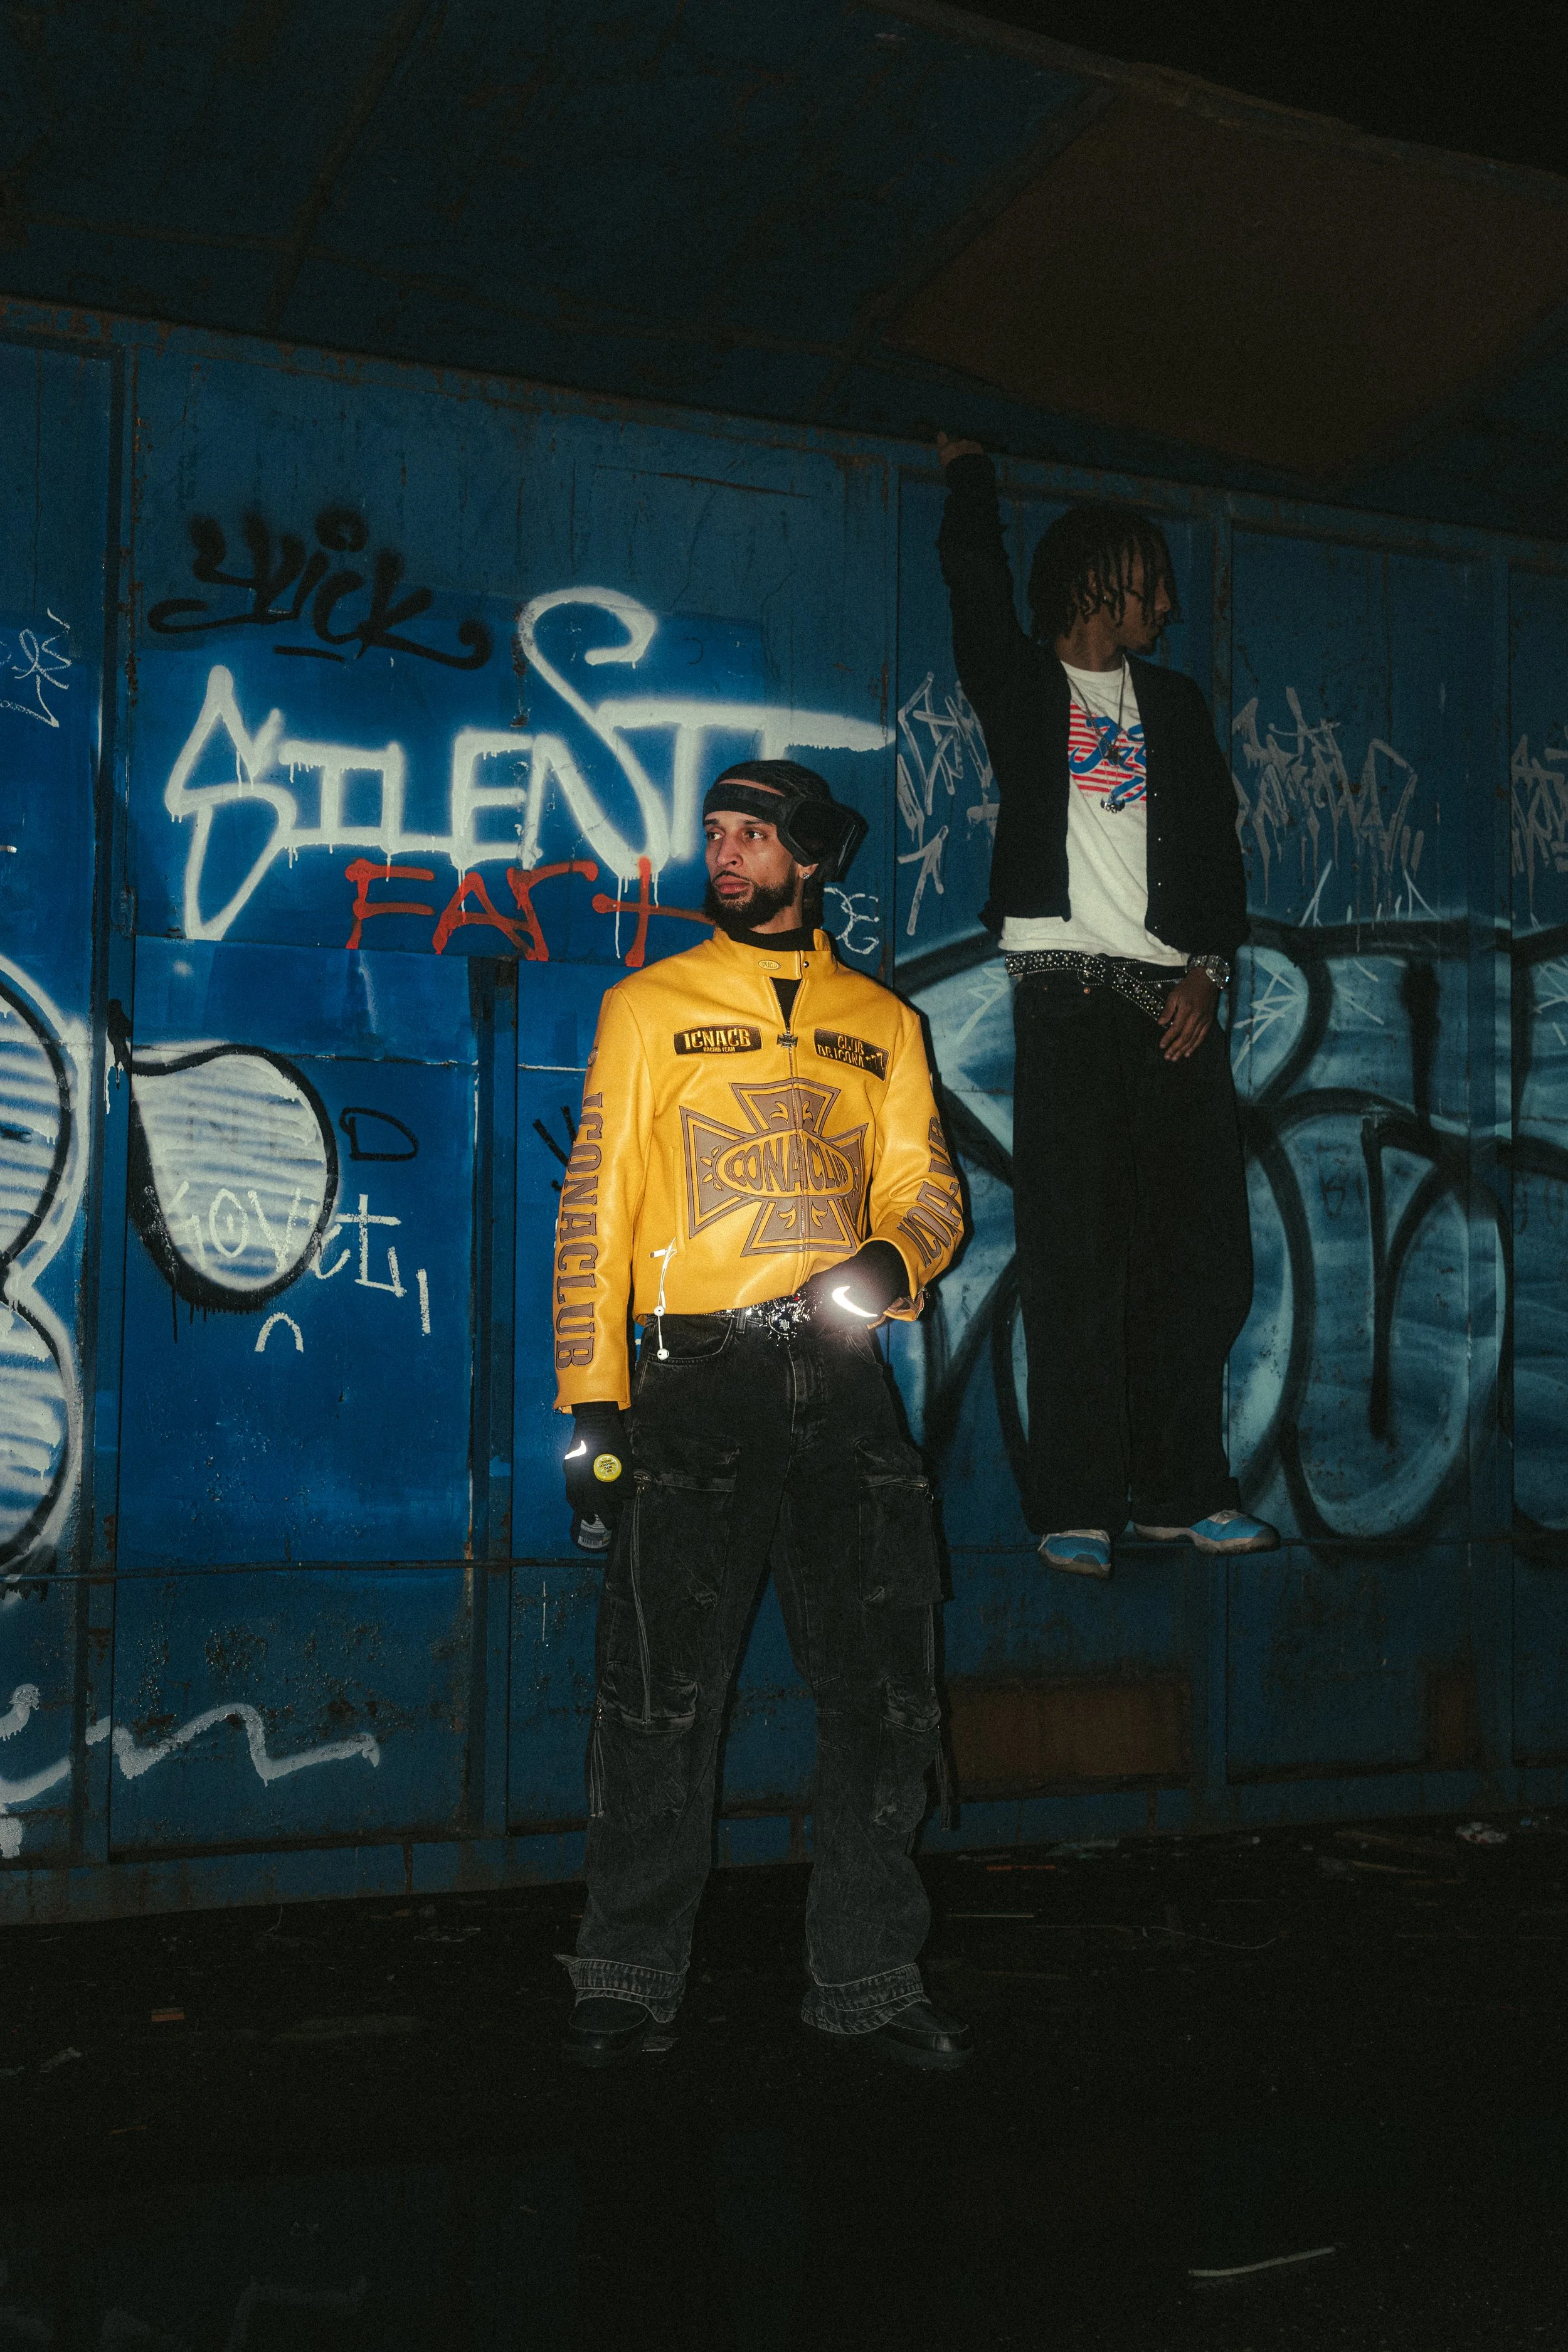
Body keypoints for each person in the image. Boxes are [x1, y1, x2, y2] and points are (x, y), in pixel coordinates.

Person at [552, 759, 972, 2071]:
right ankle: (625, 1975)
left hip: (846, 1386)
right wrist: (591, 1406)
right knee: (657, 1701)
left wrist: (891, 1266)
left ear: (811, 855)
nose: (723, 856)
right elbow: (593, 1210)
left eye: (751, 837)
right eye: (716, 835)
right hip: (694, 1383)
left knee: (885, 1703)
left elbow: (932, 1188)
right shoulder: (648, 1006)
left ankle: (865, 1981)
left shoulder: (881, 1023)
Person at [936, 433, 1277, 1579]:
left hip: (1170, 1005)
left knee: (1208, 1261)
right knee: (1078, 1260)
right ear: (1100, 582)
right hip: (1068, 1001)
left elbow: (1220, 865)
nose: (1169, 605)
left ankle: (1182, 1490)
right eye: (1152, 581)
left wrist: (1207, 972)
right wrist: (974, 472)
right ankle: (1076, 1501)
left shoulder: (1172, 707)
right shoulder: (1027, 687)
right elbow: (977, 588)